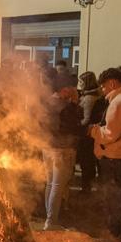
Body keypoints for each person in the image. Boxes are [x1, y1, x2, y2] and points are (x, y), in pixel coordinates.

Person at [90, 68, 121, 242]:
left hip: (113, 157)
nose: (102, 90)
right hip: (119, 155)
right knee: (114, 196)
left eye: (103, 86)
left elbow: (111, 133)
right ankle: (116, 232)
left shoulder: (118, 102)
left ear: (112, 83)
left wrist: (93, 131)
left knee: (112, 198)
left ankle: (114, 235)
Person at [43, 84, 82, 230]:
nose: (74, 90)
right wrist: (75, 104)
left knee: (50, 183)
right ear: (64, 89)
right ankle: (51, 221)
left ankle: (49, 218)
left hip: (47, 146)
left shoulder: (46, 103)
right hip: (62, 148)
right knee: (57, 186)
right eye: (71, 88)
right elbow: (75, 126)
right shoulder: (66, 107)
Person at [76, 71, 102, 193]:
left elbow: (86, 119)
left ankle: (86, 188)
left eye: (81, 81)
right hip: (90, 134)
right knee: (88, 162)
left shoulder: (88, 98)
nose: (79, 84)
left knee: (86, 161)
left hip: (86, 135)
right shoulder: (94, 95)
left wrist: (74, 125)